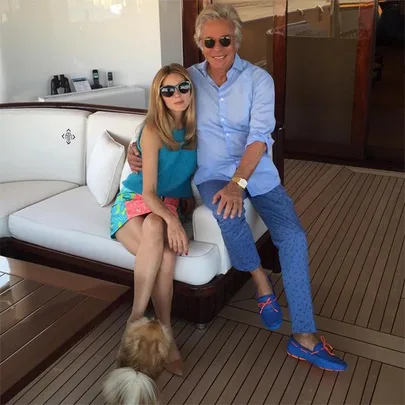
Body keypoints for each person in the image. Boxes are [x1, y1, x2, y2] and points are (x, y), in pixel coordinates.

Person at [127, 5, 347, 372]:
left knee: (293, 236)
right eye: (209, 41)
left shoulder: (259, 81)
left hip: (256, 174)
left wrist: (238, 183)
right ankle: (261, 284)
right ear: (200, 44)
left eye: (225, 40)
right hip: (213, 174)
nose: (218, 48)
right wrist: (134, 149)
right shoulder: (190, 80)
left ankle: (305, 338)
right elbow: (160, 111)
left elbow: (260, 137)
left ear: (237, 41)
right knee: (226, 212)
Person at [110, 63, 197, 377]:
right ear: (158, 96)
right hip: (136, 202)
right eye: (168, 90)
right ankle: (140, 321)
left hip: (167, 206)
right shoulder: (151, 129)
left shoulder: (197, 130)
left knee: (166, 250)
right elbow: (147, 193)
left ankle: (158, 330)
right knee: (160, 229)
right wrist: (174, 222)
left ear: (191, 90)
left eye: (183, 87)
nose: (177, 95)